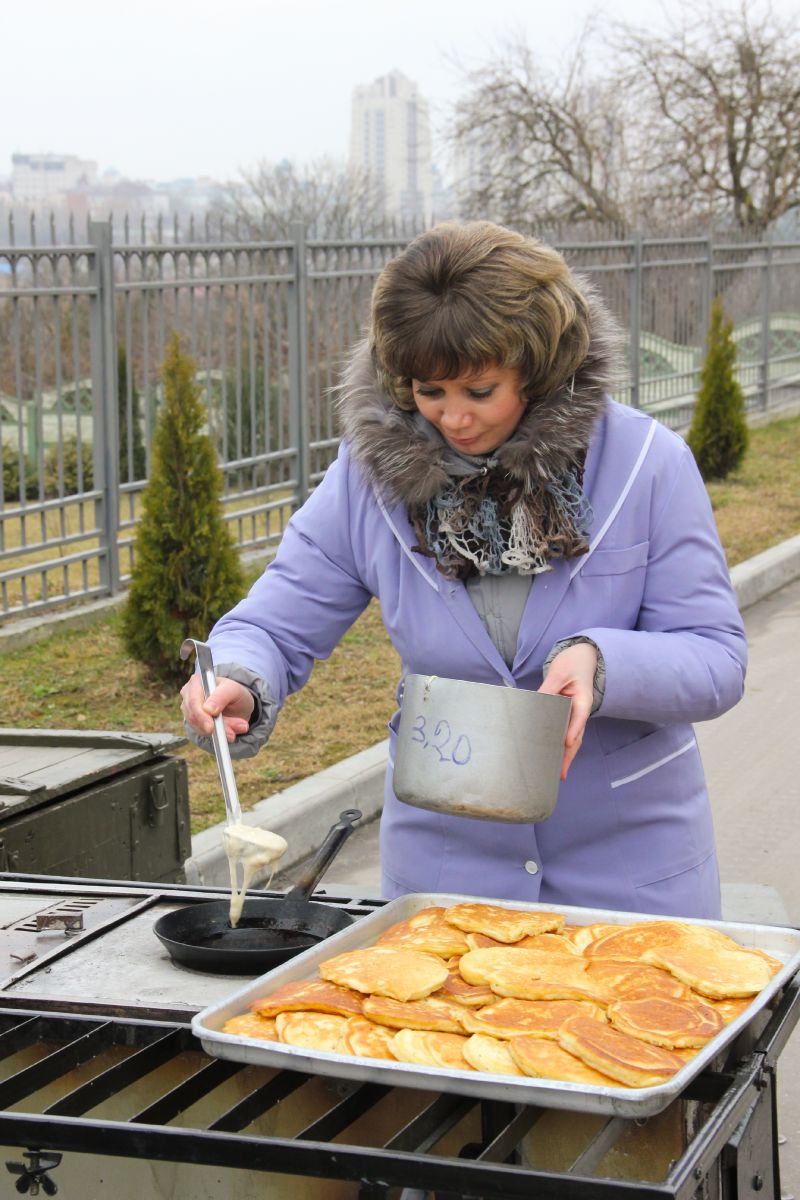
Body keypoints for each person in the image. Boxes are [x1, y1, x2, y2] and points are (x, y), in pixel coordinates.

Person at [180, 221, 747, 919]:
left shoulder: (647, 464)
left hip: (628, 875)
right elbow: (274, 619)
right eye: (429, 390)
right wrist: (239, 677)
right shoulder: (369, 478)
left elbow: (717, 658)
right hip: (447, 882)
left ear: (537, 370)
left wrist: (603, 663)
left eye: (479, 390)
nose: (453, 418)